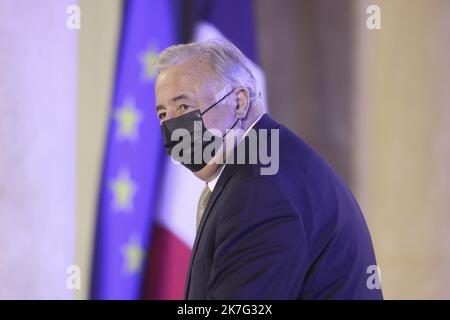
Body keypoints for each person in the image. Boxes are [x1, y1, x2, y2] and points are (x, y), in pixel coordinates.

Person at [154, 39, 383, 299]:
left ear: (239, 102)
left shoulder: (259, 189)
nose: (172, 127)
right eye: (162, 115)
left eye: (184, 106)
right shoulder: (267, 165)